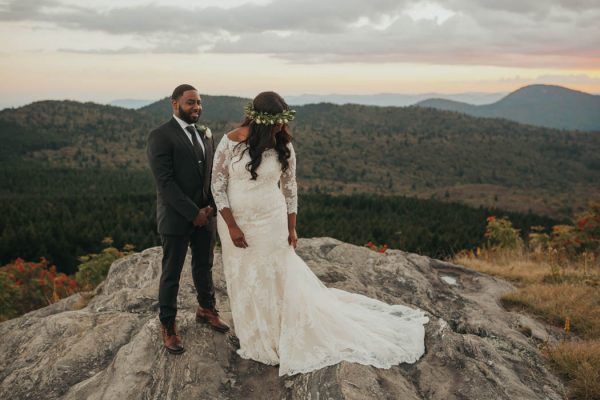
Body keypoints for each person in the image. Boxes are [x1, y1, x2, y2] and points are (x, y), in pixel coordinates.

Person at [211, 91, 430, 376]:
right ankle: (253, 331)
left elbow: (290, 189)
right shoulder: (230, 141)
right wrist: (231, 225)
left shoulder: (284, 146)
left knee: (274, 274)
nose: (280, 129)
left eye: (282, 123)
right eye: (276, 124)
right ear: (261, 120)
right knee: (242, 273)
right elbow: (217, 185)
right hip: (234, 221)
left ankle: (279, 331)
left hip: (271, 221)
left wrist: (291, 227)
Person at [147, 84, 229, 355]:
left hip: (206, 217)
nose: (196, 107)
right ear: (174, 104)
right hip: (176, 218)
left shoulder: (206, 134)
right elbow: (165, 183)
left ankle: (206, 309)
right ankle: (168, 326)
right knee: (172, 273)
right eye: (190, 102)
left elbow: (211, 175)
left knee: (204, 265)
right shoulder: (160, 136)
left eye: (199, 103)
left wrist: (210, 209)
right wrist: (193, 213)